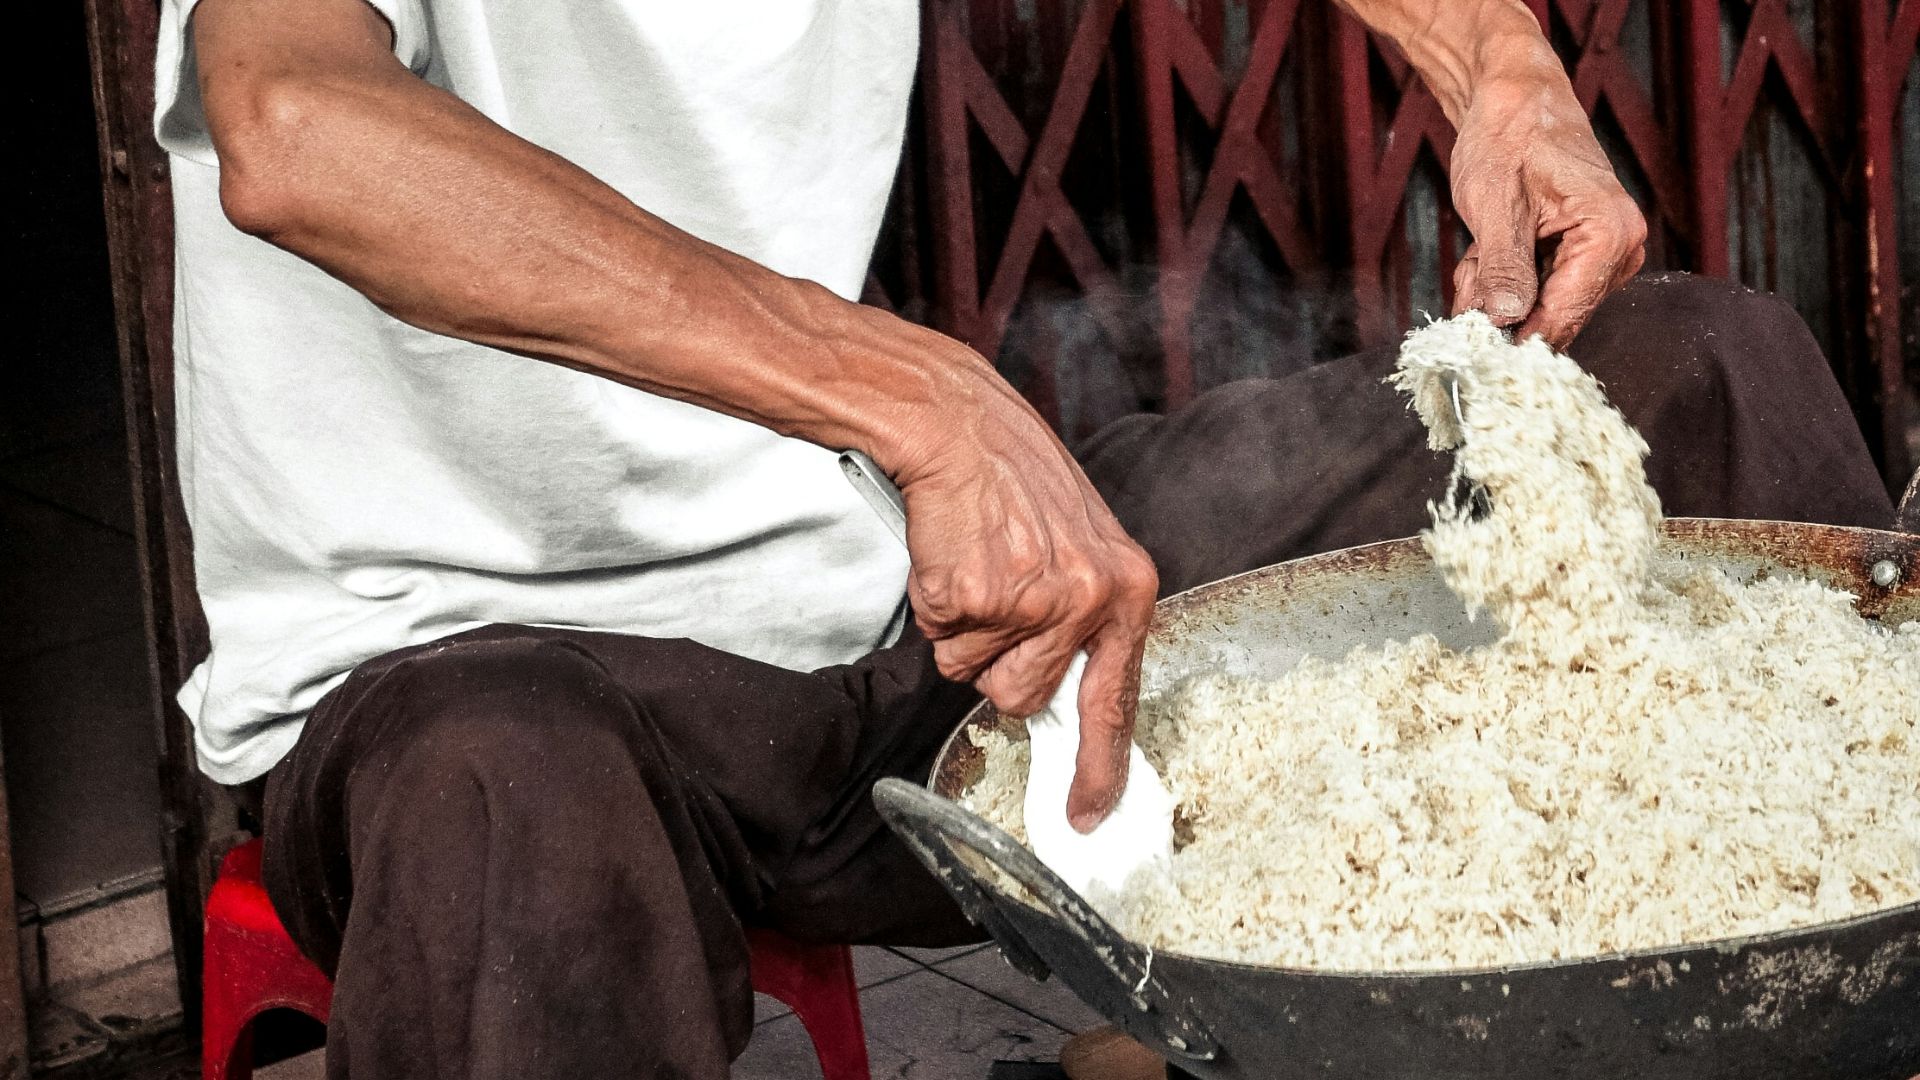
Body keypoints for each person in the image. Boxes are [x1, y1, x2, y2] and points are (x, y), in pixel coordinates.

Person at [152, 0, 1894, 1075]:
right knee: (508, 789)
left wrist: (1494, 62)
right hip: (483, 680)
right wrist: (913, 395)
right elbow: (297, 131)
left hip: (922, 636)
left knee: (1695, 369)